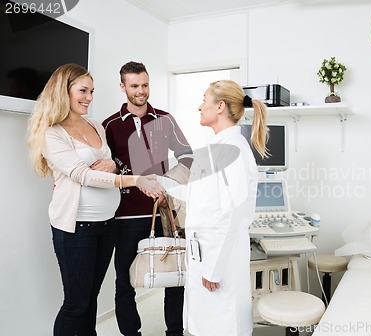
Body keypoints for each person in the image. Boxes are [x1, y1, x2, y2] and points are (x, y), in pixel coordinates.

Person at [26, 63, 164, 336]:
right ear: (63, 92)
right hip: (77, 228)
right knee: (75, 304)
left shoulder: (95, 125)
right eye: (83, 91)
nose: (89, 97)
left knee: (90, 298)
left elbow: (108, 161)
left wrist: (113, 165)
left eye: (92, 91)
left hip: (106, 226)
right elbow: (82, 174)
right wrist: (134, 179)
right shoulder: (52, 132)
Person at [157, 79, 269, 336]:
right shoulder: (218, 148)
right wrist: (163, 186)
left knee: (221, 326)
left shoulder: (234, 150)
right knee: (205, 324)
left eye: (204, 100)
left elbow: (233, 214)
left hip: (219, 261)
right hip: (204, 253)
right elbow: (204, 196)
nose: (199, 106)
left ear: (219, 106)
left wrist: (214, 269)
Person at [102, 61, 193, 336]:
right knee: (125, 282)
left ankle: (174, 332)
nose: (141, 91)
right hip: (125, 215)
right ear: (123, 87)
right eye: (134, 86)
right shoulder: (109, 126)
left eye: (144, 85)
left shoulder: (165, 119)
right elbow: (106, 168)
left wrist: (166, 185)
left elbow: (188, 156)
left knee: (176, 276)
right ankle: (131, 333)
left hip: (164, 212)